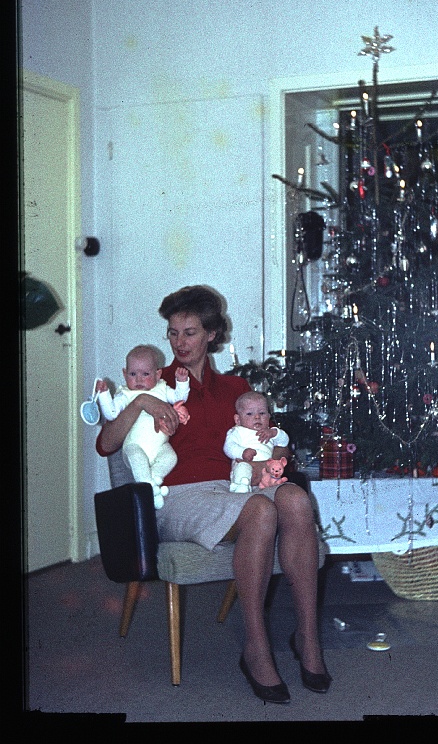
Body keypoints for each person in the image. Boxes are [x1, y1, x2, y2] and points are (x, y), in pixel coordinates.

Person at [96, 285, 331, 703]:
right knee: (260, 511)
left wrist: (277, 455)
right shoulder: (153, 381)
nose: (179, 342)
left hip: (234, 487)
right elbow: (106, 445)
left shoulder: (236, 388)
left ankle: (307, 637)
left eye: (189, 332)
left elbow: (257, 446)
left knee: (294, 498)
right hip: (177, 495)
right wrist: (142, 404)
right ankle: (256, 646)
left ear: (211, 334)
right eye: (173, 333)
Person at [96, 344, 190, 508]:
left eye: (145, 374)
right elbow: (111, 413)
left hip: (160, 446)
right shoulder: (125, 394)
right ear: (124, 374)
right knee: (137, 459)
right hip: (134, 446)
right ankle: (148, 490)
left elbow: (179, 398)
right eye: (133, 374)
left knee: (170, 458)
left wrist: (182, 382)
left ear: (157, 374)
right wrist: (103, 395)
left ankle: (155, 480)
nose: (139, 379)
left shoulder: (162, 388)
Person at [224, 390, 290, 493]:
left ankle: (271, 484)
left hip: (267, 470)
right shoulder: (238, 431)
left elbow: (284, 442)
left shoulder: (268, 432)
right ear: (238, 419)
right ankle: (241, 486)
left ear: (268, 416)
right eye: (249, 414)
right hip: (245, 465)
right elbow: (229, 447)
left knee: (275, 472)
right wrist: (242, 452)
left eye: (262, 413)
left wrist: (274, 433)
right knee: (242, 467)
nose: (257, 417)